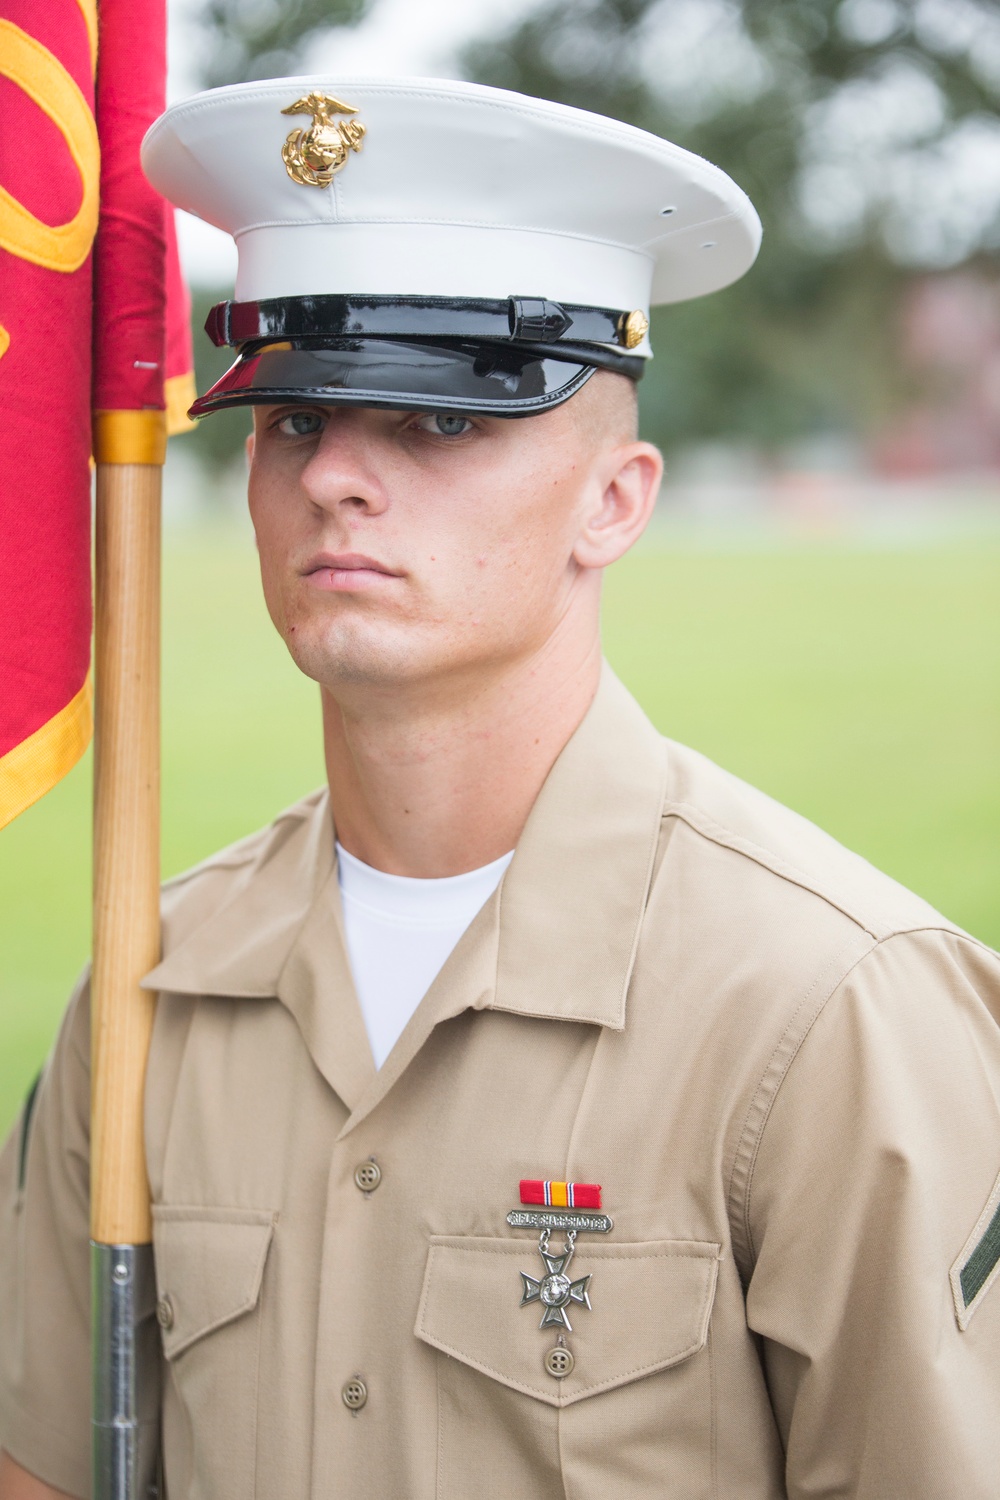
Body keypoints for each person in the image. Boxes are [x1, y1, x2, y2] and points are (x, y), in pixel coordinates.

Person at [1, 75, 999, 1500]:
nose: (338, 473)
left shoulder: (830, 1008)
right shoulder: (152, 989)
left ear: (616, 499)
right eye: (293, 420)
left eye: (440, 424)